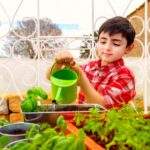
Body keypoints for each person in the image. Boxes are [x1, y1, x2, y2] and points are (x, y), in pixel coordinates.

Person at [47, 16, 136, 109]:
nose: (107, 47)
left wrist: (81, 76)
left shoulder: (125, 76)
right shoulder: (90, 67)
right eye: (103, 41)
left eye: (116, 44)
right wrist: (59, 63)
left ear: (128, 48)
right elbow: (51, 77)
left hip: (106, 123)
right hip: (79, 121)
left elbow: (101, 106)